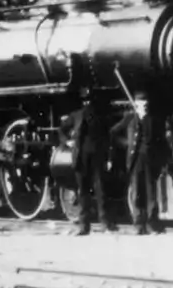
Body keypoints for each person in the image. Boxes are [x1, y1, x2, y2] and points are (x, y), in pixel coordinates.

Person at [111, 89, 166, 235]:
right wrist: (127, 144)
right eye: (142, 103)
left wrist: (161, 159)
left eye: (146, 103)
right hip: (135, 160)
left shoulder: (154, 120)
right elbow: (113, 132)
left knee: (150, 193)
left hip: (150, 160)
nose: (145, 105)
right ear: (136, 104)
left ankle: (151, 224)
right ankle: (138, 224)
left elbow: (161, 141)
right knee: (136, 192)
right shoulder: (129, 118)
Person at [63, 87, 116, 235]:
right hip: (81, 158)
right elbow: (62, 129)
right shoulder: (76, 116)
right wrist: (67, 142)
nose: (88, 104)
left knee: (100, 191)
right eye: (86, 101)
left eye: (90, 101)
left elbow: (108, 138)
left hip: (97, 157)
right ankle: (84, 226)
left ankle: (104, 223)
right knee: (83, 192)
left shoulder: (100, 118)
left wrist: (109, 156)